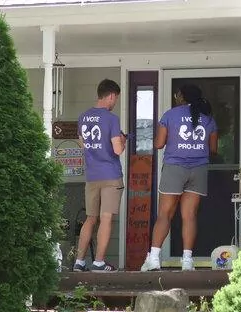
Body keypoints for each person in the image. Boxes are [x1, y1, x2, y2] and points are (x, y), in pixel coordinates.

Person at [141, 84, 218, 271]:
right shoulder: (208, 120)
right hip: (198, 169)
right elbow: (213, 150)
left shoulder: (170, 115)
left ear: (181, 97)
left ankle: (154, 259)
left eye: (177, 94)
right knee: (189, 216)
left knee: (165, 214)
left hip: (174, 168)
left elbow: (159, 144)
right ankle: (187, 260)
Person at [73, 79, 126, 272]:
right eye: (116, 99)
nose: (115, 103)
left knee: (90, 218)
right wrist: (123, 140)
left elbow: (82, 143)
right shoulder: (111, 119)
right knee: (105, 218)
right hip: (110, 174)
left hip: (92, 175)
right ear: (111, 95)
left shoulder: (83, 117)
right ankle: (99, 262)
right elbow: (118, 149)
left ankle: (79, 261)